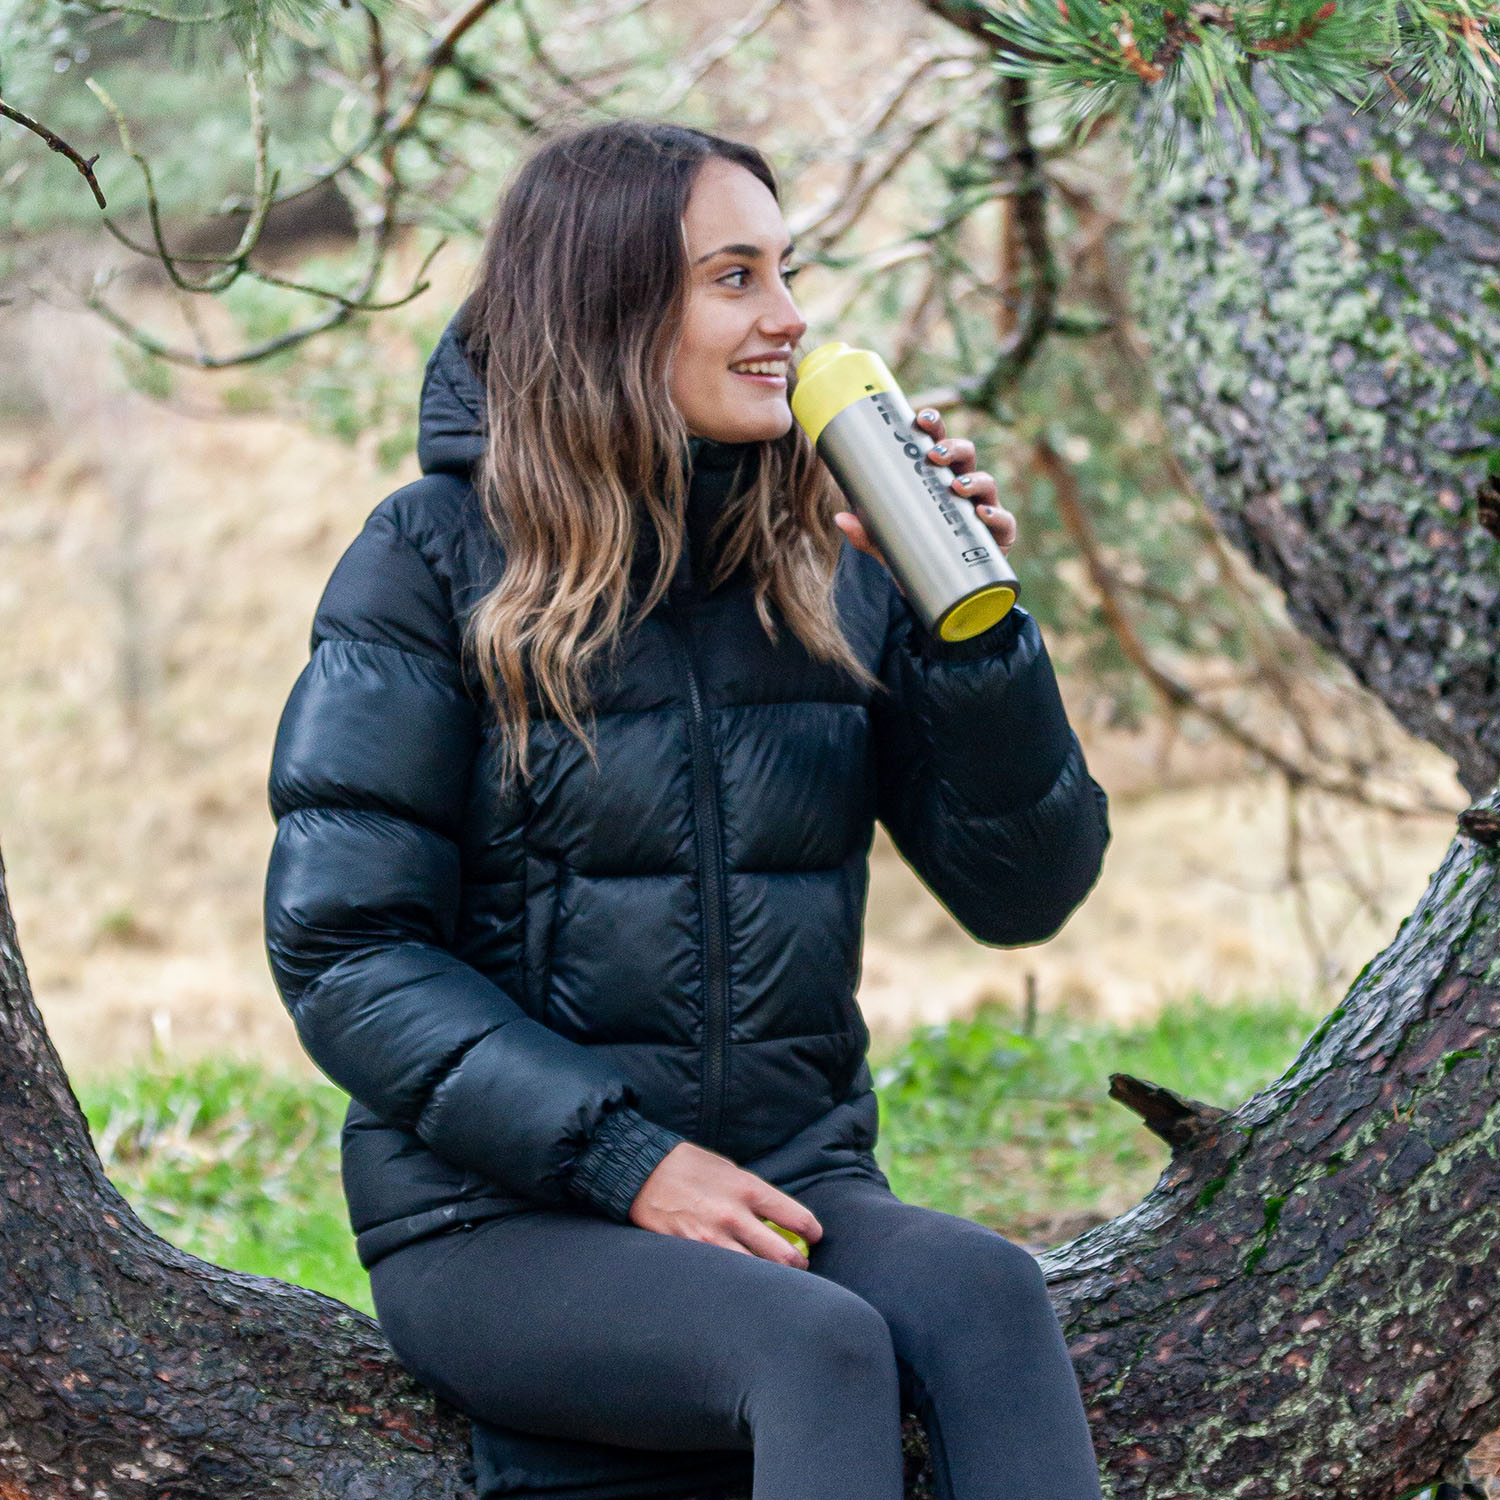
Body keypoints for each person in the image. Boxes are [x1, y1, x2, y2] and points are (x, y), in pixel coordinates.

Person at [264, 118, 1111, 1500]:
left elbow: (1026, 891)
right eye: (735, 278)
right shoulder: (430, 559)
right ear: (607, 308)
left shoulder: (834, 562)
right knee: (816, 1346)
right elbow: (345, 950)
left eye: (787, 272)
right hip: (501, 1215)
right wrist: (626, 1159)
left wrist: (973, 636)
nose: (788, 319)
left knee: (988, 1292)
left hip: (788, 1186)